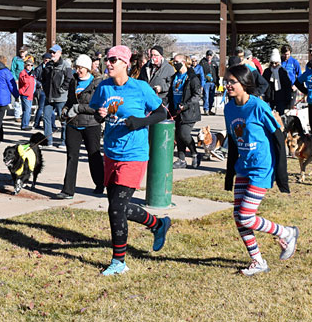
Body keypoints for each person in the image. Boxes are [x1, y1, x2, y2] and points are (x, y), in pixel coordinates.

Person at [89, 45, 171, 276]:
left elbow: (161, 113)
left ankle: (119, 262)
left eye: (114, 60)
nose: (109, 63)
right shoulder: (104, 87)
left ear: (126, 63)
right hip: (111, 153)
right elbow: (97, 112)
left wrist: (139, 122)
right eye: (107, 59)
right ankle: (158, 224)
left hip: (134, 154)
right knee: (117, 207)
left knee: (116, 208)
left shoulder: (141, 88)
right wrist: (100, 115)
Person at [223, 64, 297, 276]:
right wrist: (231, 173)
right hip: (243, 167)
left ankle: (287, 232)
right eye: (226, 81)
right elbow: (234, 141)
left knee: (246, 216)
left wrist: (281, 173)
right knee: (239, 217)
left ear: (245, 84)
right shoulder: (229, 109)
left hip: (261, 168)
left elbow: (278, 136)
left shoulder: (258, 107)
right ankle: (258, 261)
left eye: (232, 82)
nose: (228, 85)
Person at [55, 54, 105, 200]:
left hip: (91, 124)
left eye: (81, 68)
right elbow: (70, 102)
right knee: (71, 156)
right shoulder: (73, 81)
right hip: (73, 124)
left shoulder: (98, 84)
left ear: (88, 68)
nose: (78, 71)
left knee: (93, 155)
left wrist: (78, 108)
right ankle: (68, 190)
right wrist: (64, 111)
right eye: (76, 68)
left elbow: (98, 107)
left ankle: (100, 184)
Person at [168, 54, 202, 169]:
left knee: (184, 134)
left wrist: (186, 105)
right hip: (176, 111)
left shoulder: (192, 77)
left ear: (183, 62)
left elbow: (197, 95)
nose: (175, 63)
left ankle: (195, 153)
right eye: (174, 62)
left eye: (177, 61)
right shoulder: (174, 77)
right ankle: (181, 159)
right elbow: (170, 93)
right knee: (178, 135)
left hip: (189, 112)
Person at [41, 44, 73, 148]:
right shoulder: (48, 65)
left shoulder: (65, 65)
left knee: (63, 119)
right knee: (46, 117)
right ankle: (48, 141)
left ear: (60, 53)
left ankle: (64, 141)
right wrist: (45, 88)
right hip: (48, 97)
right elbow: (44, 78)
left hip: (61, 97)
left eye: (54, 52)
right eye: (51, 52)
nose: (52, 54)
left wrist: (62, 89)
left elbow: (69, 79)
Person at [262, 49, 292, 115]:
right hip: (270, 97)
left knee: (280, 115)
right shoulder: (267, 72)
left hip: (281, 97)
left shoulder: (282, 71)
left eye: (276, 63)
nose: (274, 65)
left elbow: (287, 85)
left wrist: (288, 98)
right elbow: (263, 84)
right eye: (272, 63)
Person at [11, 45, 34, 122]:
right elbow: (12, 70)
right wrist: (15, 79)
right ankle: (17, 116)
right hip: (18, 82)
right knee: (18, 99)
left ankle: (25, 116)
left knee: (26, 100)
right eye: (21, 51)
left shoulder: (30, 59)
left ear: (26, 52)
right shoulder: (16, 59)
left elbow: (32, 70)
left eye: (23, 51)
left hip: (27, 83)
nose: (22, 53)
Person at [33, 53, 52, 129]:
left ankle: (48, 124)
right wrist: (40, 85)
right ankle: (36, 123)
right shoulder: (39, 68)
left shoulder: (51, 67)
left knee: (49, 109)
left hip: (49, 90)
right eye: (45, 59)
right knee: (41, 108)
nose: (47, 60)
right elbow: (35, 79)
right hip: (42, 90)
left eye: (48, 59)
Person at [199, 50, 219, 115]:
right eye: (208, 55)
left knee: (211, 97)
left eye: (210, 55)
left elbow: (216, 73)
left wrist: (217, 82)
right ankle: (206, 109)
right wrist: (205, 77)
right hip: (206, 82)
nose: (209, 56)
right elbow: (200, 72)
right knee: (206, 96)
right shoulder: (202, 62)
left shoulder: (214, 63)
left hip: (213, 82)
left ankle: (210, 109)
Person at [18, 59, 36, 131]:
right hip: (25, 94)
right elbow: (25, 81)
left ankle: (25, 124)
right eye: (28, 65)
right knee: (27, 111)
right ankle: (25, 125)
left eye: (31, 65)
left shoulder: (31, 73)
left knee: (28, 111)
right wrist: (29, 75)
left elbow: (34, 83)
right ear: (25, 65)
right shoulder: (23, 73)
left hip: (30, 94)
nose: (30, 66)